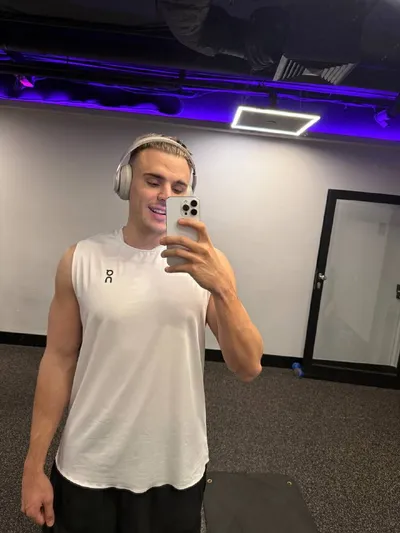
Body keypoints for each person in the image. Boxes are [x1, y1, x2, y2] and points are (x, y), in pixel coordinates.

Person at [21, 133, 263, 533]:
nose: (165, 195)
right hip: (88, 465)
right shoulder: (81, 258)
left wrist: (222, 288)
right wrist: (33, 466)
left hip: (174, 468)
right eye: (153, 181)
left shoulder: (209, 266)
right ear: (126, 183)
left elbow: (248, 365)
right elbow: (58, 360)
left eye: (178, 188)